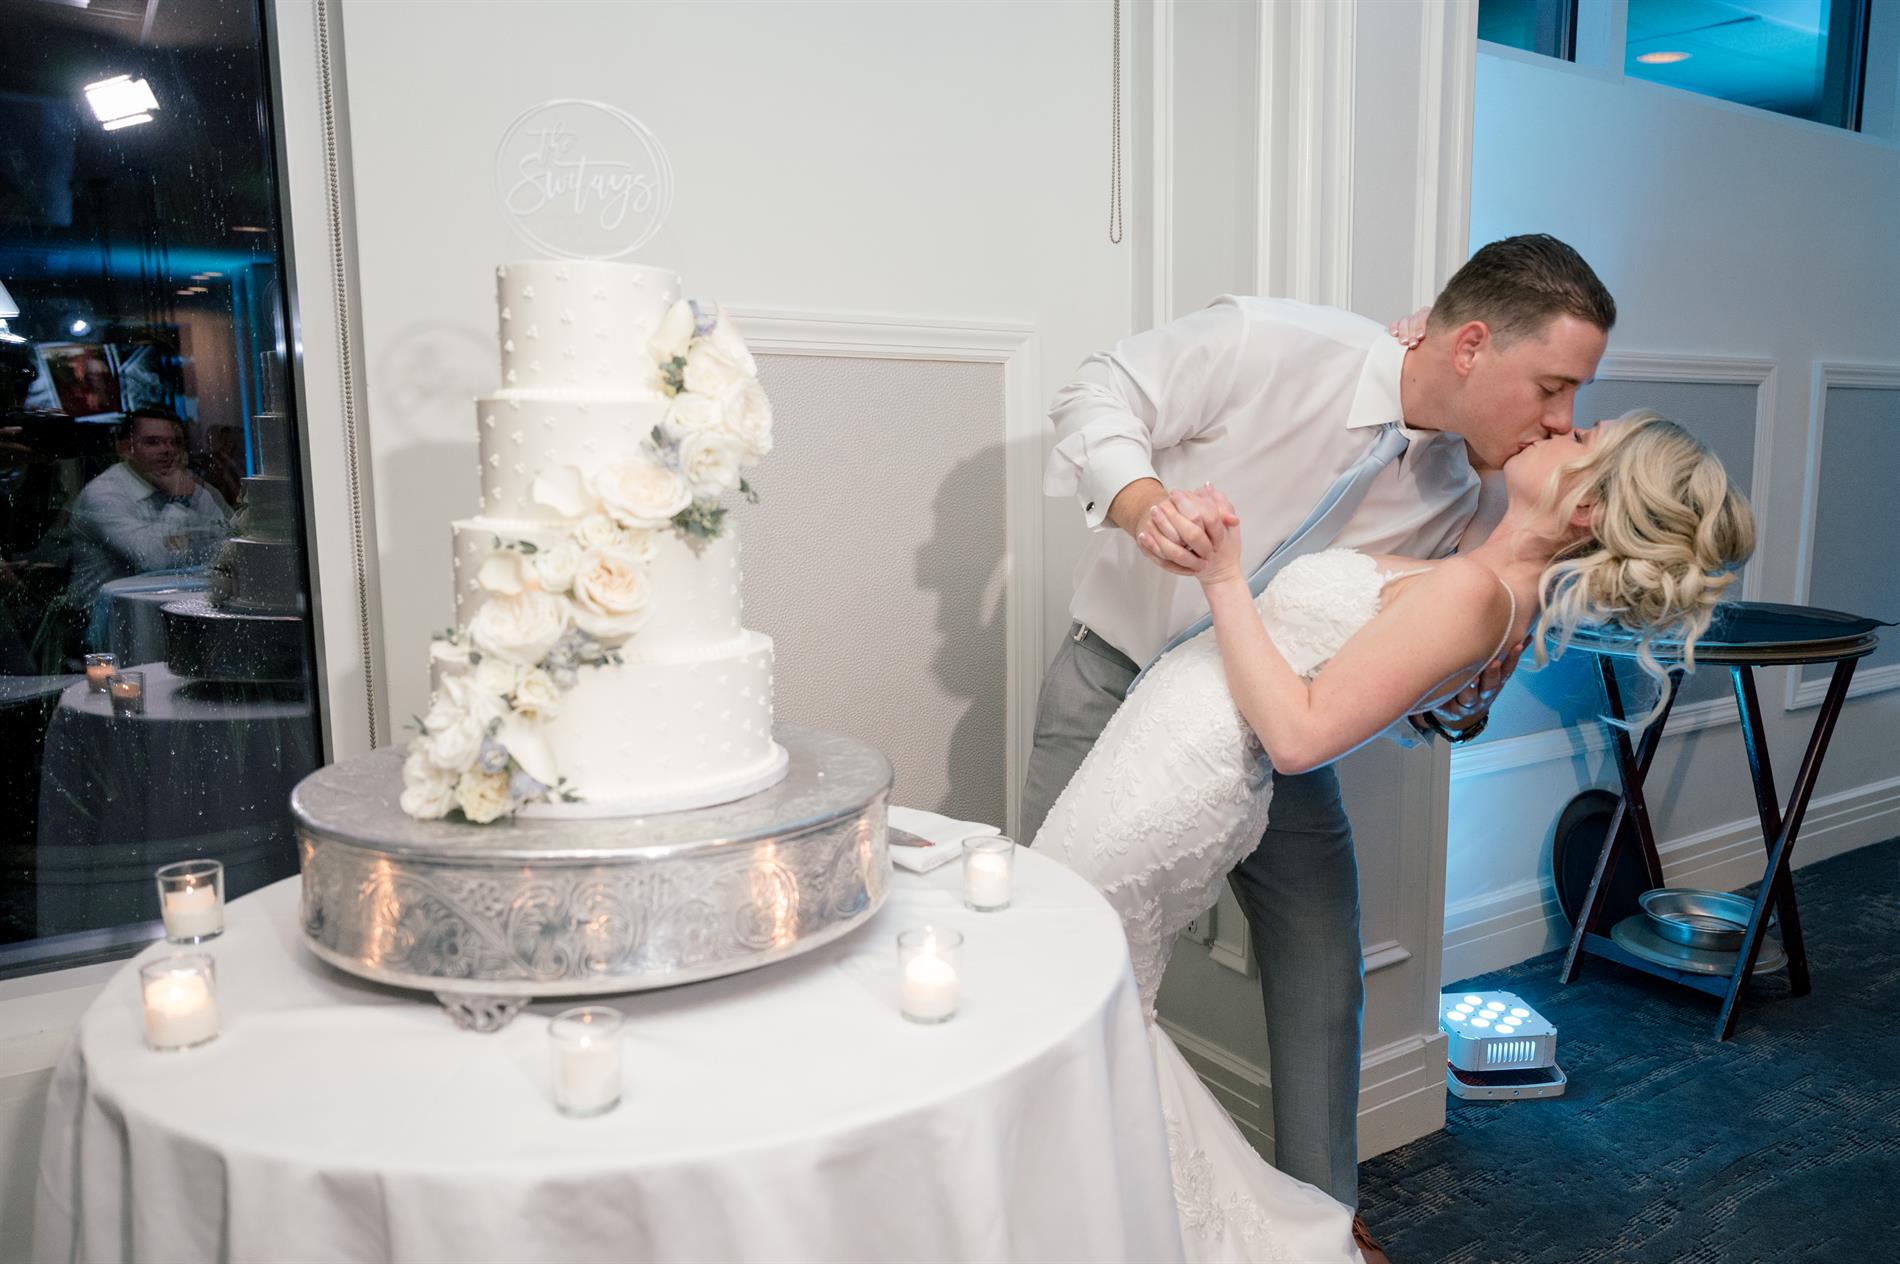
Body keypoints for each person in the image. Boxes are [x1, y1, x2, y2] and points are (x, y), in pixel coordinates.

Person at [1037, 410, 1753, 1261]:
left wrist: (1224, 578)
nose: (1557, 426)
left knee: (1065, 991)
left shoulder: (1478, 595)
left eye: (1583, 436)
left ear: (1589, 506)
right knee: (1077, 999)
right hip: (1167, 751)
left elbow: (1299, 736)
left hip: (1178, 775)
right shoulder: (1488, 583)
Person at [1022, 236, 1615, 1252]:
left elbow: (1408, 664)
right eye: (1552, 387)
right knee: (1055, 953)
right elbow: (1095, 392)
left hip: (1273, 736)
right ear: (1471, 345)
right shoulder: (1274, 344)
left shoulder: (1475, 496)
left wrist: (1457, 694)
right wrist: (1145, 505)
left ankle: (1322, 1224)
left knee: (1323, 972)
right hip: (1110, 682)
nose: (1560, 418)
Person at [67, 407, 231, 630]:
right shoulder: (104, 494)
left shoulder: (187, 486)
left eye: (175, 443)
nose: (168, 450)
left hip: (176, 612)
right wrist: (179, 502)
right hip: (107, 626)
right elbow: (151, 561)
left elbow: (227, 543)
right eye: (153, 442)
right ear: (125, 449)